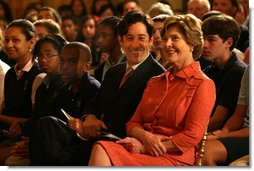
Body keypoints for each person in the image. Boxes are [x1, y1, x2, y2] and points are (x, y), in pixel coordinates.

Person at [29, 11, 165, 166]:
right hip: (93, 133)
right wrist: (89, 117)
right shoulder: (115, 71)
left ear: (151, 40)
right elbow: (95, 101)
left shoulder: (158, 75)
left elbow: (146, 120)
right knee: (46, 125)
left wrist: (97, 127)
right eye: (129, 38)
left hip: (118, 139)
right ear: (121, 40)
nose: (135, 45)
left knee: (58, 153)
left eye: (141, 38)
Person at [88, 14, 216, 166]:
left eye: (175, 38)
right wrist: (144, 137)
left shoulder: (203, 84)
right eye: (166, 38)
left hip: (174, 156)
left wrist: (144, 147)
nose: (167, 44)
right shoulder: (155, 81)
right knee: (100, 148)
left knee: (102, 150)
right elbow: (133, 123)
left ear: (192, 44)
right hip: (142, 148)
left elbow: (191, 136)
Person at [202, 14, 246, 132]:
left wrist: (189, 132)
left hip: (221, 133)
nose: (204, 45)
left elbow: (217, 120)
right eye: (203, 38)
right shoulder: (208, 71)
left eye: (211, 40)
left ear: (228, 43)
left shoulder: (238, 72)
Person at [0, 19, 42, 142]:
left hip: (27, 138)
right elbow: (9, 109)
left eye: (15, 40)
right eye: (6, 40)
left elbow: (34, 120)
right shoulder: (11, 73)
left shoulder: (38, 75)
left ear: (31, 43)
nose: (9, 45)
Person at [204, 65, 249, 166]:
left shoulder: (236, 71)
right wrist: (221, 132)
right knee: (197, 144)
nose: (205, 47)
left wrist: (223, 135)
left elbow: (218, 119)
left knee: (206, 152)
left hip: (248, 135)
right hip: (243, 132)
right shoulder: (249, 70)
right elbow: (238, 115)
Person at [94, 16, 125, 83]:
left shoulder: (129, 64)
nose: (99, 40)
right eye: (98, 36)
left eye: (104, 35)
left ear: (118, 36)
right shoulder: (101, 68)